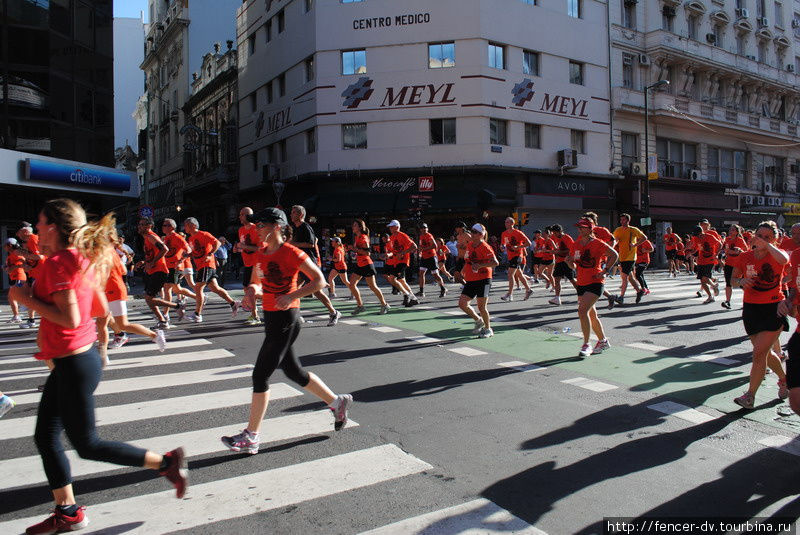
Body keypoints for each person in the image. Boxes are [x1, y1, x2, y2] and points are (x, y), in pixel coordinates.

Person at [8, 199, 186, 534]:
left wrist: (25, 299)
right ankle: (68, 511)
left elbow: (72, 316)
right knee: (46, 438)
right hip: (76, 359)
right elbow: (99, 305)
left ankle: (166, 463)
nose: (36, 228)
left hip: (74, 362)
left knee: (86, 444)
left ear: (53, 227)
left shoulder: (59, 262)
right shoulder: (77, 258)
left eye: (40, 221)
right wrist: (99, 344)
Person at [221, 208, 353, 454]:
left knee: (260, 376)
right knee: (294, 371)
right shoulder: (260, 254)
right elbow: (257, 284)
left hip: (287, 318)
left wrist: (291, 295)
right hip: (271, 317)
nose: (256, 229)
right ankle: (337, 402)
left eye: (260, 225)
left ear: (276, 227)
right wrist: (251, 294)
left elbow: (319, 280)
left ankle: (252, 436)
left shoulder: (292, 253)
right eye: (255, 225)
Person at [731, 220, 789, 409]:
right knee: (764, 352)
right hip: (751, 309)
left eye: (768, 237)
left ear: (775, 240)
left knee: (758, 354)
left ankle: (750, 396)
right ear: (754, 236)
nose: (762, 240)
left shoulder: (776, 255)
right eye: (760, 236)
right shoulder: (745, 257)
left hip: (773, 308)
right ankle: (784, 379)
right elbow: (733, 279)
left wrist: (769, 246)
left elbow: (784, 260)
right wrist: (741, 282)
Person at [103, 233, 166, 353]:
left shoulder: (108, 253)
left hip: (115, 290)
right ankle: (118, 338)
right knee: (103, 318)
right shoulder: (110, 252)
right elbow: (123, 271)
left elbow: (122, 271)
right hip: (109, 290)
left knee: (123, 324)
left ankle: (154, 335)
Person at [566, 218, 618, 357]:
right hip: (581, 283)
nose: (579, 229)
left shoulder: (598, 243)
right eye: (579, 227)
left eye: (582, 227)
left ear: (590, 229)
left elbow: (615, 255)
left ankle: (586, 344)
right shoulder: (576, 244)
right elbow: (574, 265)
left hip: (596, 282)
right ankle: (603, 341)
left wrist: (605, 270)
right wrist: (569, 263)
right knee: (591, 315)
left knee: (582, 311)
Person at [289, 205, 341, 326]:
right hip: (299, 263)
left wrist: (294, 244)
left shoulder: (305, 227)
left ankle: (333, 313)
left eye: (294, 213)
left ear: (300, 215)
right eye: (291, 212)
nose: (291, 215)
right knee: (293, 289)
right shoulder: (294, 228)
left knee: (316, 291)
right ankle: (296, 315)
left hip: (309, 263)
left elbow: (312, 243)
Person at [184, 217, 239, 323]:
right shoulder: (190, 239)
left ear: (193, 226)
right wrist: (187, 255)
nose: (184, 227)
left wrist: (210, 254)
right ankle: (233, 303)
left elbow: (217, 243)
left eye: (186, 225)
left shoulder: (203, 234)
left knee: (198, 287)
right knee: (215, 288)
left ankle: (197, 314)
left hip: (207, 265)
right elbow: (196, 252)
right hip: (202, 266)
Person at [136, 217, 184, 329]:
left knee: (149, 298)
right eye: (139, 224)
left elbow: (165, 249)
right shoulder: (147, 238)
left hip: (159, 271)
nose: (139, 226)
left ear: (149, 226)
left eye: (142, 224)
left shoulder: (151, 236)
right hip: (152, 271)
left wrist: (152, 262)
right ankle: (162, 321)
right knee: (148, 299)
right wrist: (145, 262)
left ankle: (177, 306)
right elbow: (153, 253)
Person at [458, 223, 498, 339]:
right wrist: (463, 271)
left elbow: (495, 262)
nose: (472, 233)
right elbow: (468, 260)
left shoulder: (485, 246)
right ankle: (478, 320)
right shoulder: (469, 245)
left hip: (484, 279)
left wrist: (480, 266)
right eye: (472, 231)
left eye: (475, 232)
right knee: (462, 304)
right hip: (471, 279)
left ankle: (488, 329)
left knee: (482, 307)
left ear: (481, 235)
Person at [348, 220, 389, 315]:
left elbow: (367, 253)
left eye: (354, 225)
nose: (352, 227)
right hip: (360, 264)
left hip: (366, 264)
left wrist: (354, 249)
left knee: (373, 286)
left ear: (360, 227)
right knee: (352, 284)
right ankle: (360, 306)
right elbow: (359, 251)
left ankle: (384, 304)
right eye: (353, 225)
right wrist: (355, 252)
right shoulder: (357, 237)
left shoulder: (363, 237)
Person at [235, 207, 263, 325]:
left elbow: (261, 248)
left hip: (257, 264)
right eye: (240, 214)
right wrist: (237, 248)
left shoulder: (256, 229)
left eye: (242, 214)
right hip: (247, 263)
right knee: (247, 289)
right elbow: (243, 246)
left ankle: (255, 315)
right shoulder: (241, 230)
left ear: (248, 215)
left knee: (251, 289)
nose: (240, 217)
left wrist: (244, 247)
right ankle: (273, 297)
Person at [161, 219, 197, 309]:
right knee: (176, 289)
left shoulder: (177, 237)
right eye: (163, 225)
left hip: (175, 267)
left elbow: (188, 250)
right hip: (167, 267)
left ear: (172, 227)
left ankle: (165, 315)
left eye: (166, 225)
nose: (163, 227)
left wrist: (181, 260)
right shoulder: (166, 238)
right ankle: (199, 297)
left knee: (168, 289)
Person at [612, 213, 646, 305]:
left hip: (630, 257)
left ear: (628, 221)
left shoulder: (633, 230)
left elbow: (644, 238)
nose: (622, 221)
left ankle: (621, 297)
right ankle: (639, 291)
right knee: (630, 277)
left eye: (624, 220)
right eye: (621, 220)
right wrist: (612, 245)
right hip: (622, 257)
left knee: (624, 277)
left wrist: (635, 245)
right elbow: (614, 239)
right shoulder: (618, 230)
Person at [385, 220, 420, 307]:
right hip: (396, 262)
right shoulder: (392, 237)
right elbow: (393, 251)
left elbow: (414, 246)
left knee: (392, 279)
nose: (390, 228)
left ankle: (406, 294)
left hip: (403, 261)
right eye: (390, 227)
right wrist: (388, 255)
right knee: (402, 281)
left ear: (397, 227)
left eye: (392, 226)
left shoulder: (403, 235)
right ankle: (414, 298)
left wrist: (403, 253)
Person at [500, 217, 532, 302]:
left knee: (510, 274)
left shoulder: (518, 233)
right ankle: (528, 290)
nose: (505, 224)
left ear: (512, 223)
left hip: (518, 256)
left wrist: (518, 247)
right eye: (505, 222)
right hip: (510, 256)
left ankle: (509, 294)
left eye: (507, 222)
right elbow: (503, 244)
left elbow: (529, 243)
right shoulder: (504, 233)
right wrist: (502, 247)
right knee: (519, 275)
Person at [689, 224, 722, 303]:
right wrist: (691, 253)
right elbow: (697, 247)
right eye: (696, 235)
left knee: (705, 278)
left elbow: (720, 244)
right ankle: (710, 296)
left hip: (710, 260)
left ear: (702, 232)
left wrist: (716, 254)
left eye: (699, 235)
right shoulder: (696, 238)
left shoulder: (710, 237)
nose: (698, 237)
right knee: (702, 281)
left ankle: (714, 286)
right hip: (701, 260)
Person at [416, 223, 448, 298]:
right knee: (421, 273)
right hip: (424, 257)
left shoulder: (429, 235)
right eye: (422, 228)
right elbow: (421, 245)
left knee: (435, 275)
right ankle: (421, 291)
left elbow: (434, 245)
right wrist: (420, 250)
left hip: (431, 257)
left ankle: (443, 289)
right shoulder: (421, 236)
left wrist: (424, 249)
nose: (423, 229)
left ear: (427, 228)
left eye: (425, 228)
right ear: (420, 229)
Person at [721, 224, 748, 309]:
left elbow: (746, 251)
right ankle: (728, 301)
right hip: (728, 263)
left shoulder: (740, 240)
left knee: (741, 284)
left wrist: (738, 251)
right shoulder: (727, 239)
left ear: (737, 232)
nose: (730, 231)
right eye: (730, 229)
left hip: (738, 265)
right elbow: (725, 249)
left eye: (733, 230)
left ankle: (747, 301)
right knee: (728, 283)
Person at [549, 225, 576, 306]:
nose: (553, 234)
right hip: (559, 261)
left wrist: (558, 252)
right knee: (556, 279)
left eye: (554, 232)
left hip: (566, 261)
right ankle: (557, 298)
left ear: (559, 231)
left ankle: (581, 295)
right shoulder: (555, 238)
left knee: (572, 280)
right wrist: (554, 251)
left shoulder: (567, 238)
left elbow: (570, 250)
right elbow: (558, 249)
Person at [5, 237, 27, 324]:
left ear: (10, 245)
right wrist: (7, 268)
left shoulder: (17, 254)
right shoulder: (11, 255)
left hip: (19, 277)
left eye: (5, 246)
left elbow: (23, 263)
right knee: (12, 297)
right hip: (14, 277)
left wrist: (12, 267)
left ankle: (18, 315)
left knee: (12, 297)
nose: (4, 248)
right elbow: (9, 267)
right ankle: (17, 315)